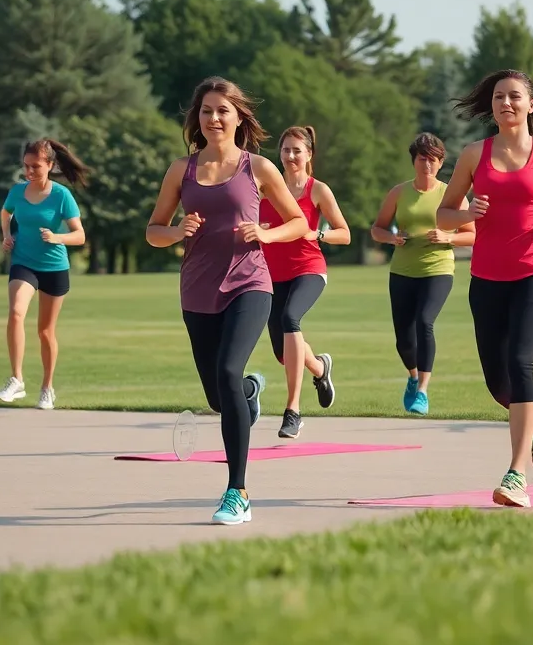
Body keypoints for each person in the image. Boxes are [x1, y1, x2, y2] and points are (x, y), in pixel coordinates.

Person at [146, 76, 308, 525]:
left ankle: (237, 492)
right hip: (197, 290)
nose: (213, 118)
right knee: (221, 397)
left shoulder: (257, 168)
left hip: (249, 283)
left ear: (239, 117)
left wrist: (266, 233)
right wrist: (177, 231)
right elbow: (153, 230)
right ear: (196, 119)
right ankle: (248, 393)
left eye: (222, 110)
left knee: (227, 369)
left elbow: (297, 222)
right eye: (205, 111)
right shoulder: (183, 170)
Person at [437, 70, 533, 508]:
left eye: (514, 97)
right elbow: (443, 216)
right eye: (498, 97)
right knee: (497, 382)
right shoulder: (474, 154)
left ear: (532, 105)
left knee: (520, 361)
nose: (505, 103)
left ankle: (515, 475)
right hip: (487, 279)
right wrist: (468, 213)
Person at [370, 132, 476, 416]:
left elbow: (472, 235)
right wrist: (393, 239)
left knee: (424, 322)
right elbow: (377, 229)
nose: (426, 165)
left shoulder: (450, 195)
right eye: (421, 159)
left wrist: (447, 237)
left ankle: (423, 391)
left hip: (437, 269)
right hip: (402, 271)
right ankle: (413, 375)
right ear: (414, 161)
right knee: (404, 338)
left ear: (440, 163)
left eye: (432, 160)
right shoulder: (399, 192)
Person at [258, 125, 350, 439]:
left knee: (290, 318)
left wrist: (318, 233)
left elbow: (344, 233)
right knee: (284, 352)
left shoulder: (317, 190)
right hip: (272, 274)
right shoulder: (265, 189)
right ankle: (321, 368)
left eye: (298, 150)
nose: (291, 156)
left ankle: (293, 410)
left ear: (309, 154)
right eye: (286, 150)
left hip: (309, 268)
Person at [0, 139, 89, 411]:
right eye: (26, 166)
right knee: (15, 313)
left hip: (54, 268)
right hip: (23, 262)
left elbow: (80, 235)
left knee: (45, 331)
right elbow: (5, 212)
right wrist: (6, 234)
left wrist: (57, 237)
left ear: (50, 165)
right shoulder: (17, 192)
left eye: (36, 166)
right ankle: (17, 379)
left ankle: (47, 388)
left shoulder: (61, 196)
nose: (29, 171)